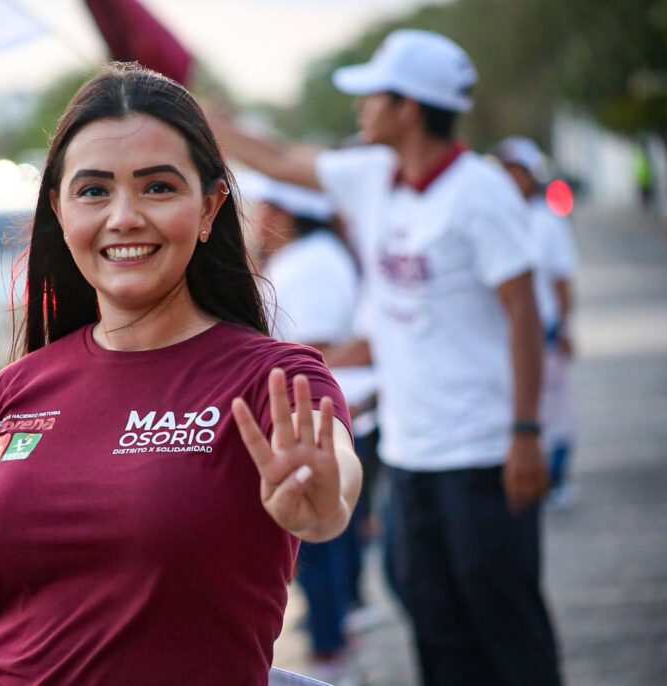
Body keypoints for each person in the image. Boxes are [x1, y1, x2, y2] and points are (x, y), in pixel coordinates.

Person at [0, 62, 363, 686]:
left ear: (210, 207)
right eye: (94, 190)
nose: (124, 216)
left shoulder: (275, 378)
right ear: (60, 210)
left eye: (157, 187)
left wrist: (324, 508)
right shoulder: (13, 392)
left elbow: (333, 477)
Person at [208, 29, 561, 686]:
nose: (361, 109)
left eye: (372, 97)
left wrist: (526, 434)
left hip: (483, 451)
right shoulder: (375, 180)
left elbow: (523, 314)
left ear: (409, 106)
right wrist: (195, 108)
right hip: (411, 452)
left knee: (504, 621)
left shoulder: (480, 193)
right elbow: (281, 158)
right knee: (431, 617)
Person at [243, 175, 363, 684]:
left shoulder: (307, 264)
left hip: (315, 417)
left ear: (288, 215)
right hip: (323, 413)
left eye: (267, 209)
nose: (259, 220)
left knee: (322, 538)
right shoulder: (317, 256)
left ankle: (330, 642)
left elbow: (311, 346)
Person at [495, 136, 580, 509]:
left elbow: (562, 281)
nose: (513, 179)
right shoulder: (496, 217)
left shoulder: (547, 221)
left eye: (519, 171)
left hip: (542, 330)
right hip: (504, 334)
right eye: (506, 170)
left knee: (553, 412)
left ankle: (555, 479)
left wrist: (564, 326)